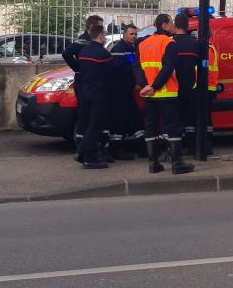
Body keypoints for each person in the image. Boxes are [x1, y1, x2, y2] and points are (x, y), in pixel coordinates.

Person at [136, 15, 194, 175]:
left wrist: (145, 86)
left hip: (149, 95)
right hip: (166, 92)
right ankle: (177, 164)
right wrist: (155, 86)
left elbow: (137, 68)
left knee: (151, 127)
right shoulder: (169, 43)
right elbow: (168, 68)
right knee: (172, 128)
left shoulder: (143, 44)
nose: (173, 25)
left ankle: (153, 164)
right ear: (164, 25)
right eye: (171, 23)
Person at [63, 15, 104, 149]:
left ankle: (90, 143)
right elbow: (66, 53)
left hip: (90, 82)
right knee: (85, 113)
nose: (102, 29)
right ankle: (83, 144)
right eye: (99, 26)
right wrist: (78, 68)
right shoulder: (83, 41)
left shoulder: (93, 41)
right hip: (84, 82)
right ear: (91, 27)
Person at [75, 25, 113, 169]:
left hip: (86, 92)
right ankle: (86, 156)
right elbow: (110, 74)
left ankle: (84, 154)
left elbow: (80, 69)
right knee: (95, 126)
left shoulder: (84, 51)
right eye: (104, 35)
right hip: (99, 94)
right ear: (101, 36)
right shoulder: (103, 54)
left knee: (89, 124)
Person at [108, 24, 143, 160]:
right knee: (119, 121)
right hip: (119, 90)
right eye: (131, 34)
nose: (134, 36)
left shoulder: (130, 48)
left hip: (127, 90)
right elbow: (117, 69)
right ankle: (115, 149)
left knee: (135, 118)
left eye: (135, 34)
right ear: (124, 34)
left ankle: (141, 147)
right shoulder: (119, 49)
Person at [168, 14, 201, 149]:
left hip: (173, 86)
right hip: (190, 85)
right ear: (188, 26)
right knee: (189, 117)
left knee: (175, 117)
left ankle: (175, 147)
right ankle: (192, 145)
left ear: (175, 26)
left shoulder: (170, 42)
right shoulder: (195, 44)